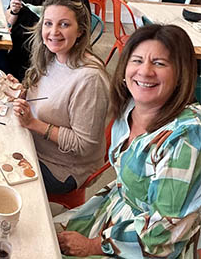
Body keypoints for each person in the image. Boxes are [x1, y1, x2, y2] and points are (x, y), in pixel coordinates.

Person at [55, 24, 201, 258]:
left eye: (160, 63)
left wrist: (94, 245)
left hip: (146, 247)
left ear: (180, 74)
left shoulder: (186, 140)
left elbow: (162, 239)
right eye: (137, 60)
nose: (145, 71)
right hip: (115, 214)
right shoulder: (130, 106)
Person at [12, 0, 109, 195]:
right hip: (32, 142)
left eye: (64, 24)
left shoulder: (90, 79)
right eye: (48, 23)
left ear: (81, 31)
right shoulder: (51, 55)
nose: (53, 32)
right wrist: (20, 91)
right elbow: (46, 96)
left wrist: (33, 123)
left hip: (62, 167)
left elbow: (84, 145)